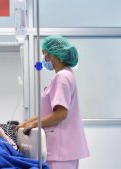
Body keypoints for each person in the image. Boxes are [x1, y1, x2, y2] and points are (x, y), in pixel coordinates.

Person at [17, 35, 89, 169]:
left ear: (54, 55)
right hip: (63, 149)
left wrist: (33, 124)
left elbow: (60, 114)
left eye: (45, 55)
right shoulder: (65, 75)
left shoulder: (61, 77)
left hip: (61, 149)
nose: (44, 59)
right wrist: (26, 123)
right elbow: (49, 112)